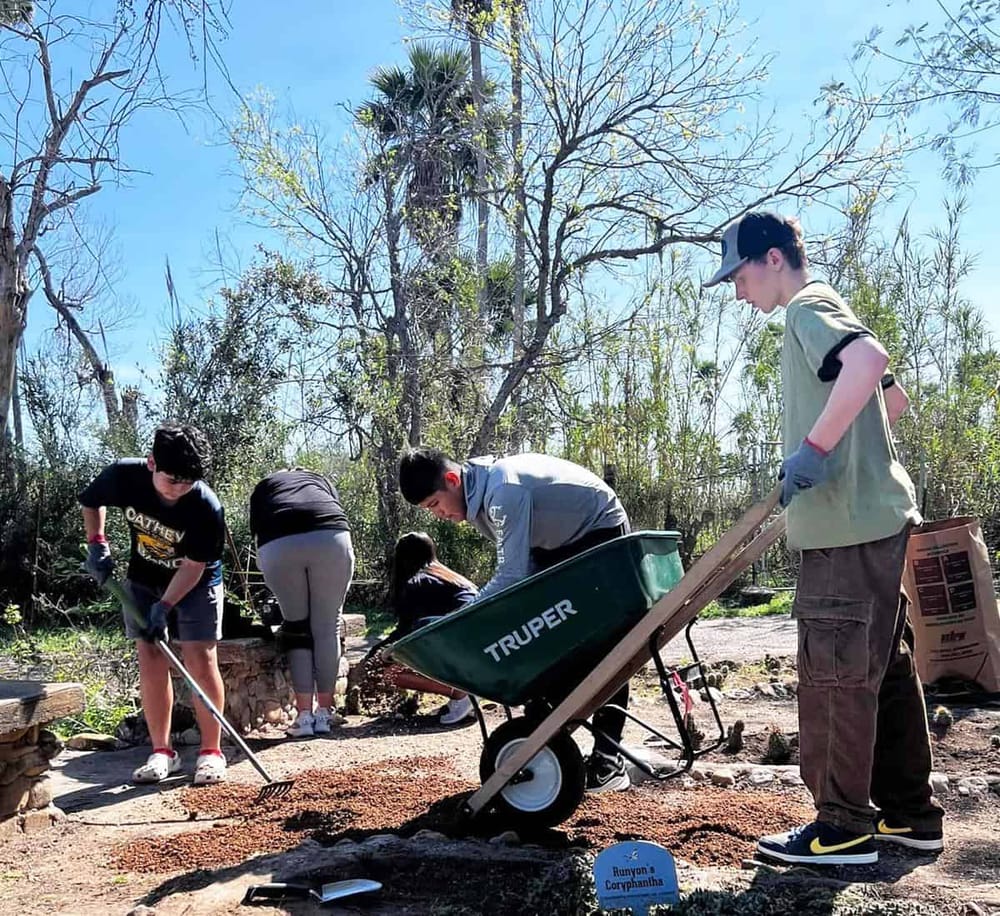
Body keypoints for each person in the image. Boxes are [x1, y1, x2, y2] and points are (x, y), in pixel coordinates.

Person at [703, 211, 944, 865]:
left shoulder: (808, 306)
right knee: (882, 669)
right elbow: (889, 402)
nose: (738, 291)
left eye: (740, 275)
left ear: (773, 259)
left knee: (835, 675)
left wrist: (813, 450)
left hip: (844, 531)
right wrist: (835, 453)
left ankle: (841, 829)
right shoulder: (827, 310)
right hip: (870, 518)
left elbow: (869, 363)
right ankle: (910, 815)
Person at [398, 448, 633, 791]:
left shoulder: (502, 492)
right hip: (560, 543)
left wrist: (463, 620)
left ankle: (607, 760)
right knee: (551, 638)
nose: (439, 515)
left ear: (451, 480)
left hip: (598, 530)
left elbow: (512, 573)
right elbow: (523, 570)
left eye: (435, 504)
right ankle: (547, 734)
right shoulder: (480, 493)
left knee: (598, 644)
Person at [80, 424, 228, 786]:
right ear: (151, 463)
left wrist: (164, 607)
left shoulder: (207, 506)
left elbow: (194, 566)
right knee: (149, 655)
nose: (179, 489)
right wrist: (97, 543)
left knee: (199, 658)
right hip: (143, 577)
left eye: (188, 481)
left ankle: (211, 752)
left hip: (195, 581)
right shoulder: (124, 476)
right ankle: (162, 752)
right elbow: (90, 500)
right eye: (172, 479)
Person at [249, 468, 355, 738]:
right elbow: (335, 510)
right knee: (326, 625)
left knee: (296, 626)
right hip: (330, 537)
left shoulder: (266, 486)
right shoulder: (321, 480)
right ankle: (325, 713)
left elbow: (257, 536)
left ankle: (304, 717)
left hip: (278, 542)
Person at [375, 531, 479, 725]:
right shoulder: (447, 575)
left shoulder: (419, 582)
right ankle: (463, 693)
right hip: (476, 641)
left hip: (459, 638)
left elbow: (405, 630)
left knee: (390, 673)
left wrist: (375, 656)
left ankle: (460, 695)